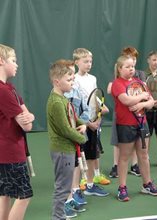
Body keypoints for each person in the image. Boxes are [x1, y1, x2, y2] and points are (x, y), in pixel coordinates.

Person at [112, 55, 157, 202]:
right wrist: (142, 97)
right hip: (125, 125)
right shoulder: (117, 83)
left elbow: (151, 101)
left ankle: (147, 184)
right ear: (120, 69)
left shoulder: (139, 82)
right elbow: (126, 100)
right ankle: (122, 188)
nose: (131, 69)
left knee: (144, 155)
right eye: (127, 67)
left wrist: (141, 104)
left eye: (132, 66)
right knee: (124, 157)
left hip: (142, 124)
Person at [47, 59, 87, 219]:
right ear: (57, 81)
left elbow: (73, 117)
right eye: (69, 80)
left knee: (65, 187)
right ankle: (58, 217)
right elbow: (64, 129)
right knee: (62, 189)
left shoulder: (63, 99)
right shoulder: (56, 102)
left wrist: (82, 124)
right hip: (62, 151)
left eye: (72, 79)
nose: (72, 83)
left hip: (68, 150)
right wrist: (82, 138)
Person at [0, 44, 35, 220]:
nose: (17, 64)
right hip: (10, 153)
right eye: (13, 60)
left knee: (5, 193)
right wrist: (29, 117)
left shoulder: (10, 89)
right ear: (1, 61)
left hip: (5, 153)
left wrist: (30, 116)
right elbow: (27, 125)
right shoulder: (4, 91)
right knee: (24, 196)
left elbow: (28, 116)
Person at [73, 48, 110, 197]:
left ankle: (90, 185)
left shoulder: (92, 79)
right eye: (85, 61)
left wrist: (98, 119)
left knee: (92, 154)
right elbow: (75, 106)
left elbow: (97, 100)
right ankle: (77, 186)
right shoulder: (73, 80)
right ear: (76, 62)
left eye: (90, 61)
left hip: (95, 122)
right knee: (80, 155)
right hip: (82, 124)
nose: (89, 64)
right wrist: (88, 123)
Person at [108, 46, 145, 178]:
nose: (132, 62)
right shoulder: (117, 79)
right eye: (128, 59)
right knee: (119, 142)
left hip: (139, 117)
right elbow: (114, 91)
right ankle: (115, 166)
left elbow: (147, 95)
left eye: (133, 59)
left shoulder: (140, 76)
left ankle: (135, 166)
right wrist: (140, 97)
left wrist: (141, 102)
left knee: (139, 147)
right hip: (122, 116)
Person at [64, 60, 89, 212]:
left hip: (78, 135)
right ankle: (64, 200)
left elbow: (85, 110)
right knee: (66, 169)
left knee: (76, 164)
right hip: (65, 139)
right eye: (69, 74)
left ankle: (75, 191)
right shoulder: (58, 96)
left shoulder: (78, 91)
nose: (72, 77)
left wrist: (84, 124)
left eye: (73, 74)